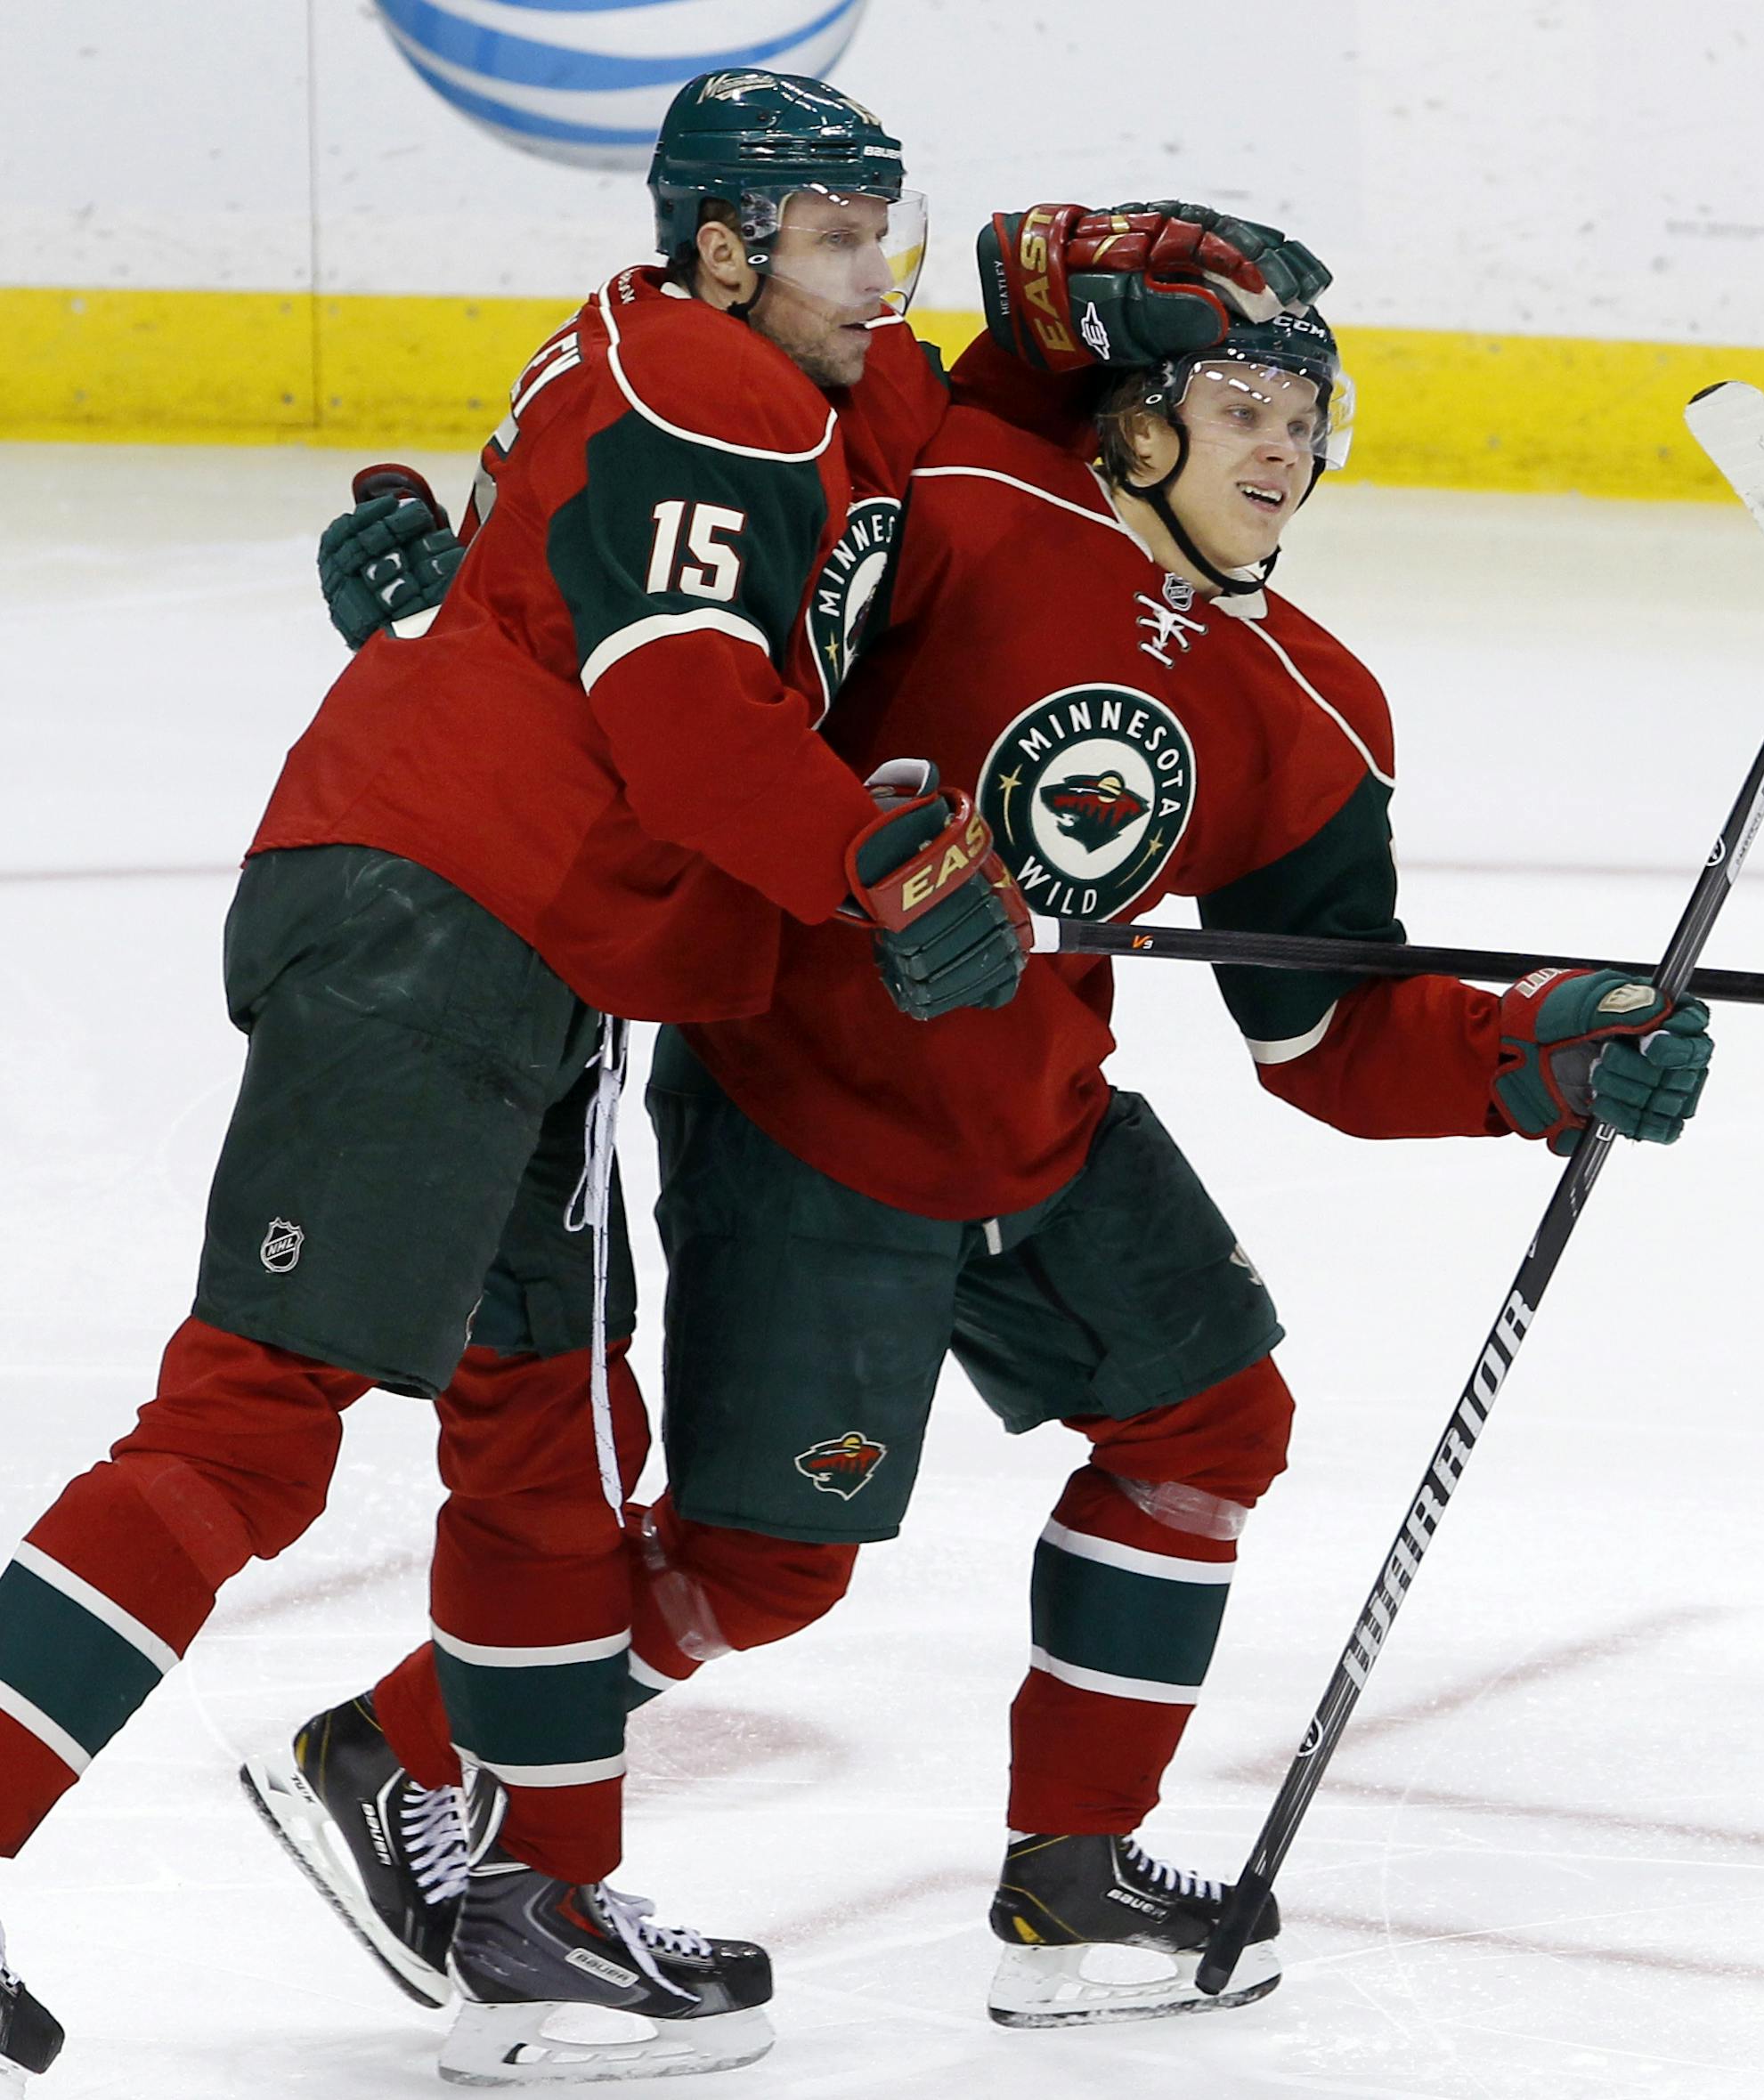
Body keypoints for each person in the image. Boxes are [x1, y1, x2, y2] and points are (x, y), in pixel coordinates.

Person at [258, 269, 1714, 2037]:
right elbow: (689, 610)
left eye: (1307, 419)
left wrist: (1541, 1050)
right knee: (759, 1568)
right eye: (1246, 406)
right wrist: (474, 603)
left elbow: (1323, 1033)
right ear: (1144, 422)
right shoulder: (960, 508)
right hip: (809, 1105)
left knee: (1208, 1414)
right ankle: (394, 1746)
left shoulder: (1310, 709)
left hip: (1042, 1118)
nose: (1284, 447)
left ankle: (1074, 1871)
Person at [0, 70, 1071, 2089]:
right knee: (243, 1434)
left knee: (548, 1420)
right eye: (842, 242)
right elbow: (679, 713)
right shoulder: (714, 390)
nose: (881, 276)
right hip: (444, 921)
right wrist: (882, 860)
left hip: (525, 947)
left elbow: (588, 575)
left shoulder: (724, 367)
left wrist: (1062, 322)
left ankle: (536, 1912)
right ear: (733, 249)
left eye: (889, 232)